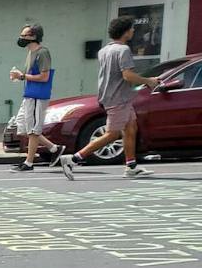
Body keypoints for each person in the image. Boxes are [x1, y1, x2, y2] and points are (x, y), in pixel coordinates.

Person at [61, 17, 160, 180]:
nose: (133, 31)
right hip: (118, 99)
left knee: (130, 128)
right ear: (126, 31)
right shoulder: (123, 50)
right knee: (112, 135)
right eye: (132, 28)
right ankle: (73, 159)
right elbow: (127, 75)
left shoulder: (104, 50)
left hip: (115, 97)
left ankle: (131, 166)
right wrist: (149, 81)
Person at [8, 24, 61, 171]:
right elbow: (29, 75)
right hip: (29, 94)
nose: (21, 38)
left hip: (38, 95)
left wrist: (23, 76)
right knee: (22, 127)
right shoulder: (30, 53)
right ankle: (54, 149)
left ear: (34, 37)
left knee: (33, 130)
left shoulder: (42, 53)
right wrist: (19, 76)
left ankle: (29, 162)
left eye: (24, 35)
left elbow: (45, 77)